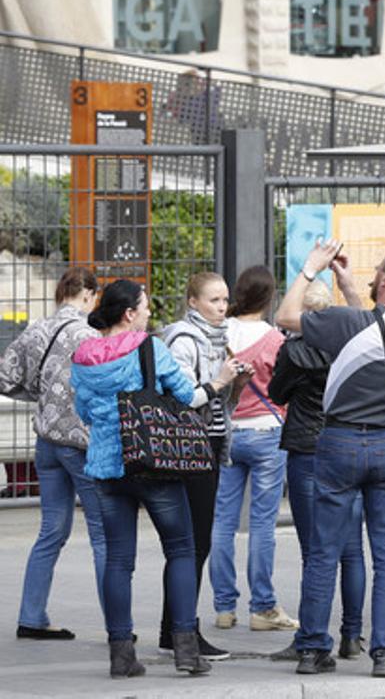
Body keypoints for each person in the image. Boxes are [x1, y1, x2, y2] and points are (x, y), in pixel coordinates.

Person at [277, 241, 385, 678]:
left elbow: (286, 317)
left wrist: (310, 270)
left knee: (325, 551)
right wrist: (349, 289)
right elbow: (375, 332)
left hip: (339, 442)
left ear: (384, 279)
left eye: (378, 269)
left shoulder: (350, 322)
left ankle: (311, 649)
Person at [71, 279, 239, 678]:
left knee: (117, 559)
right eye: (145, 307)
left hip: (107, 467)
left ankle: (121, 653)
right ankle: (184, 649)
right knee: (181, 550)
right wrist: (219, 382)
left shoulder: (83, 355)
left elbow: (84, 412)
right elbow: (188, 397)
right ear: (129, 313)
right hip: (153, 461)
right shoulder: (149, 348)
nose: (149, 313)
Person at [267, 279, 366, 662]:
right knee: (352, 550)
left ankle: (311, 636)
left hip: (307, 451)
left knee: (315, 552)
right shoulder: (352, 346)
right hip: (347, 445)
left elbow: (277, 394)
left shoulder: (294, 350)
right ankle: (353, 634)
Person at [2, 267, 103, 641]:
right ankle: (117, 627)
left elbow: (4, 378)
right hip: (79, 444)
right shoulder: (91, 337)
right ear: (89, 294)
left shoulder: (36, 330)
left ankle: (31, 616)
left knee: (50, 531)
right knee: (103, 535)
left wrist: (38, 395)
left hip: (46, 443)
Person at [158, 272, 249, 660]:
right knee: (192, 543)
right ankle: (181, 630)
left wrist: (237, 384)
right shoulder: (182, 339)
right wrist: (219, 380)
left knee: (196, 542)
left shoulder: (217, 339)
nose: (222, 307)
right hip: (188, 449)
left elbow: (218, 405)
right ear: (193, 301)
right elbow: (180, 399)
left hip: (209, 444)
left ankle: (175, 627)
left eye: (226, 300)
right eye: (214, 300)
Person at [209, 266, 293, 632]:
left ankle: (224, 607)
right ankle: (263, 606)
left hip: (228, 432)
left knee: (222, 521)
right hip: (266, 432)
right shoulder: (274, 338)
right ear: (270, 297)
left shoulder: (219, 333)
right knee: (262, 523)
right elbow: (284, 387)